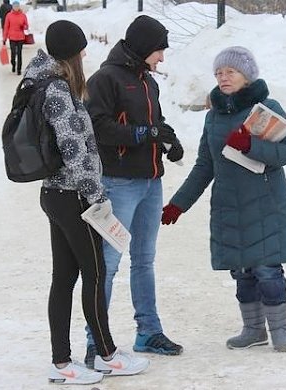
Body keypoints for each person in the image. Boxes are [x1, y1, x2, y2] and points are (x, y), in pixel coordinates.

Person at [23, 20, 149, 385]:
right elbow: (74, 151)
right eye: (80, 51)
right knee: (93, 274)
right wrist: (96, 197)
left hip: (54, 192)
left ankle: (61, 361)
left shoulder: (38, 83)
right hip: (73, 196)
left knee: (64, 277)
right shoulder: (59, 91)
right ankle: (106, 355)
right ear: (72, 54)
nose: (84, 56)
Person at [161, 46, 286, 352]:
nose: (223, 78)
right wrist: (178, 203)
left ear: (246, 76)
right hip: (229, 208)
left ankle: (280, 331)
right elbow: (204, 166)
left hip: (266, 205)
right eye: (218, 73)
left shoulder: (267, 107)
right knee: (243, 271)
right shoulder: (213, 117)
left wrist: (251, 145)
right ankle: (253, 330)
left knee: (268, 271)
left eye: (230, 72)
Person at [83, 15, 184, 367]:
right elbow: (98, 128)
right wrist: (145, 135)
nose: (162, 59)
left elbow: (153, 124)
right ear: (144, 47)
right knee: (107, 264)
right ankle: (97, 342)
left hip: (150, 183)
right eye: (159, 51)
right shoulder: (105, 79)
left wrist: (169, 139)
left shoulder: (147, 82)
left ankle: (148, 332)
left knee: (144, 260)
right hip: (119, 184)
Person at [2, 1, 28, 75]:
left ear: (19, 7)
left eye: (17, 6)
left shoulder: (23, 15)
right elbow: (6, 27)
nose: (16, 8)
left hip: (20, 37)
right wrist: (4, 38)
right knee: (13, 53)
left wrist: (24, 26)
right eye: (15, 6)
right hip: (12, 37)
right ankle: (13, 64)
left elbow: (26, 25)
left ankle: (19, 69)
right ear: (12, 7)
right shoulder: (9, 15)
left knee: (19, 54)